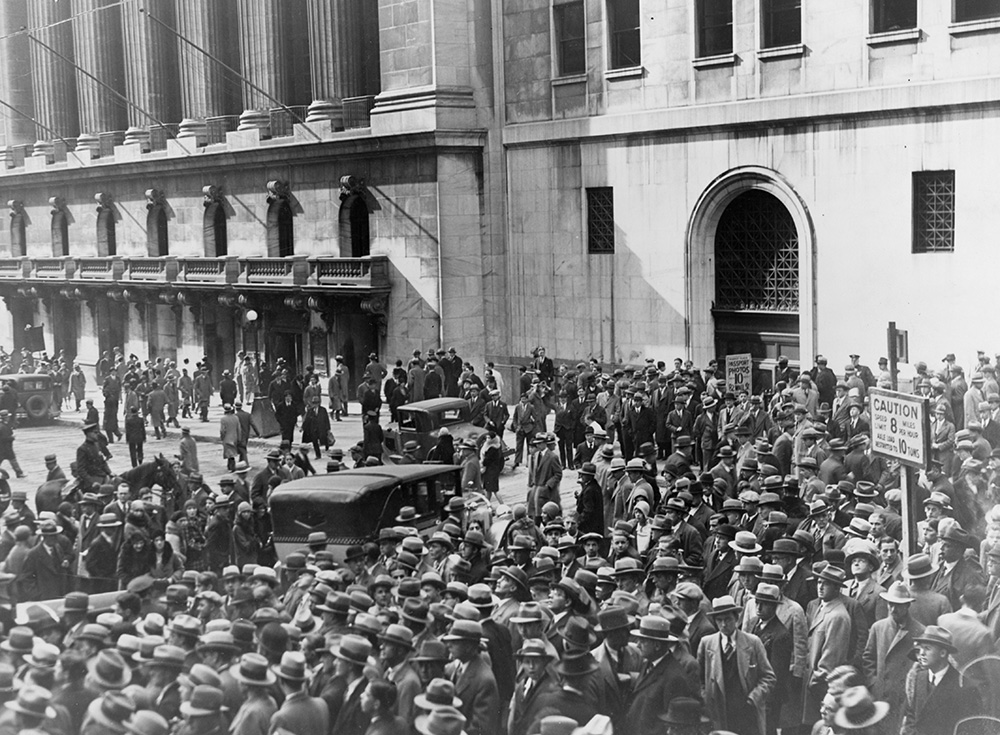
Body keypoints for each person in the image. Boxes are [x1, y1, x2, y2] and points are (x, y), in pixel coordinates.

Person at [697, 595, 776, 735]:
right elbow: (699, 678)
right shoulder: (707, 643)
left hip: (746, 712)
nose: (723, 624)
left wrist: (754, 698)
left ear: (736, 619)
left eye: (727, 619)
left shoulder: (752, 643)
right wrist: (706, 698)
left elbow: (768, 677)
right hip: (719, 711)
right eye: (719, 620)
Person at [900, 625, 979, 735]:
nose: (921, 653)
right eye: (920, 648)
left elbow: (969, 729)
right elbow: (911, 718)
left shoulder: (965, 687)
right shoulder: (919, 678)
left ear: (942, 653)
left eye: (927, 648)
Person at [0, 411, 23, 479]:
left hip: (4, 448)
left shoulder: (4, 425)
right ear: (5, 418)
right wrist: (12, 438)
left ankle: (19, 473)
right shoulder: (3, 427)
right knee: (13, 460)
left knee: (13, 461)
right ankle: (19, 473)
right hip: (5, 448)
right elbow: (3, 438)